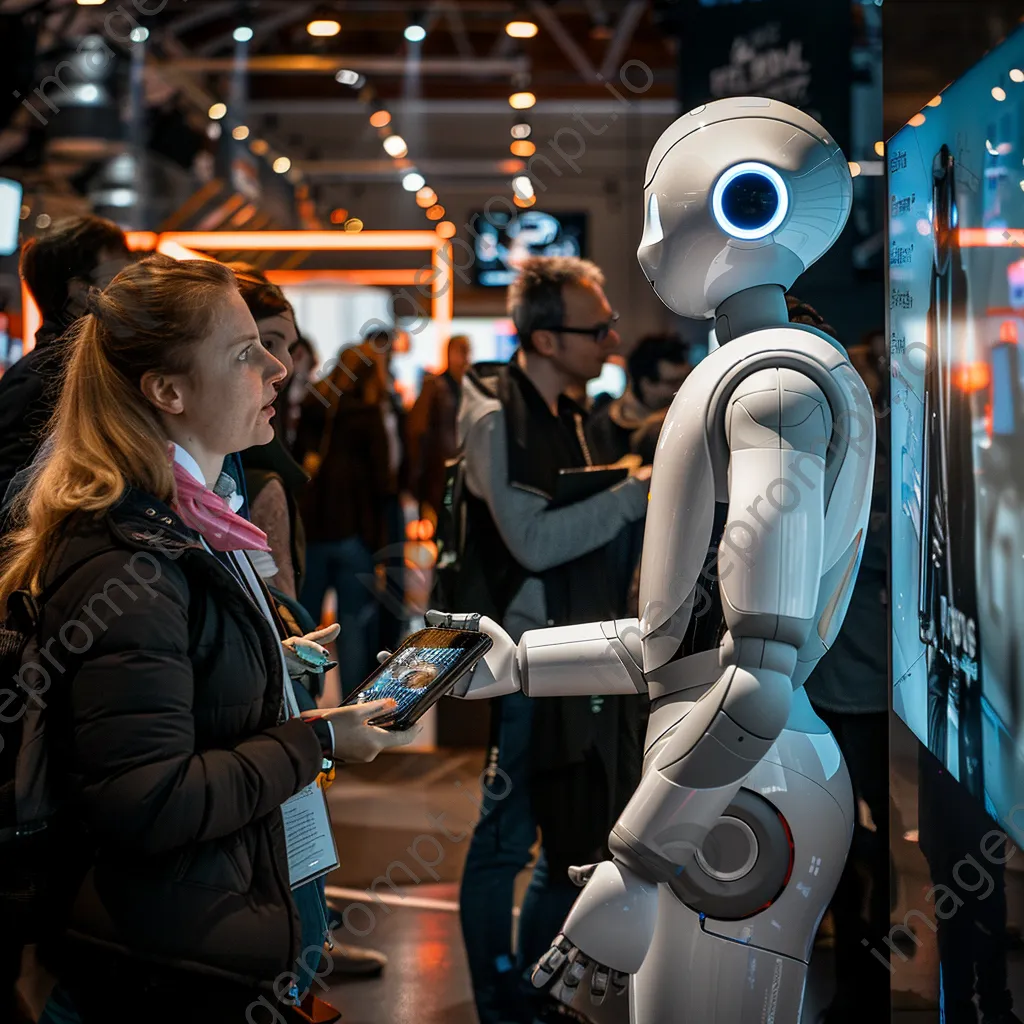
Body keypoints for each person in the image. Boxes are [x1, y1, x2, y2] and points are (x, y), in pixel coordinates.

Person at [0, 255, 418, 1024]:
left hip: (188, 935)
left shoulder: (187, 521)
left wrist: (267, 660)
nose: (277, 368)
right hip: (154, 965)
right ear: (168, 391)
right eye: (244, 351)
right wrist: (315, 744)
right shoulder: (131, 554)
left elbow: (167, 686)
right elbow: (147, 799)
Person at [454, 256, 651, 1024]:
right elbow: (532, 540)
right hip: (517, 661)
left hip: (571, 654)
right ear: (542, 339)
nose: (611, 336)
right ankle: (499, 996)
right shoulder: (495, 415)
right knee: (505, 839)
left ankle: (535, 989)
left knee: (569, 834)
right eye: (595, 326)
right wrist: (632, 495)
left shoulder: (568, 409)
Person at [784, 301, 891, 1024]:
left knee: (858, 848)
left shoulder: (861, 443)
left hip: (849, 682)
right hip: (800, 681)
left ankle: (861, 989)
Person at [0, 216, 132, 512]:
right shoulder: (43, 381)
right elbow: (10, 501)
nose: (133, 290)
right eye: (119, 278)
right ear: (82, 291)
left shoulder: (93, 369)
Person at [295, 345, 394, 699]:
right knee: (352, 625)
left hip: (313, 529)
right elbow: (383, 481)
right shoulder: (368, 415)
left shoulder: (312, 408)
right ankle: (353, 707)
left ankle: (303, 703)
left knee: (306, 625)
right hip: (354, 534)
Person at [586, 331, 692, 464]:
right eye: (673, 382)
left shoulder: (688, 415)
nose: (683, 387)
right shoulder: (602, 427)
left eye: (686, 379)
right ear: (646, 384)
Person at [406, 334, 472, 524]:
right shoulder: (436, 386)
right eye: (461, 352)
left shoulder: (466, 388)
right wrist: (417, 476)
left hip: (460, 469)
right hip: (439, 472)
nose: (465, 359)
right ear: (449, 354)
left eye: (467, 353)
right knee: (443, 524)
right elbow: (418, 431)